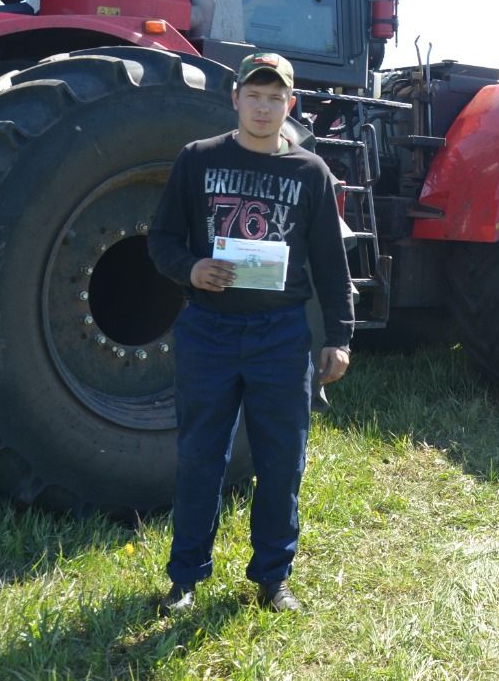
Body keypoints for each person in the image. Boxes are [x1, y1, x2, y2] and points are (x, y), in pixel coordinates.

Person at [147, 51, 353, 614]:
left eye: (275, 97)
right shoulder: (198, 160)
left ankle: (272, 578)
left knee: (282, 459)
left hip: (281, 335)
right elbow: (161, 239)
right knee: (199, 457)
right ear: (235, 98)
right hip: (208, 330)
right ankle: (185, 577)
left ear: (290, 104)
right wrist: (189, 268)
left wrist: (339, 335)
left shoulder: (310, 172)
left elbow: (331, 263)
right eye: (254, 96)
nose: (264, 107)